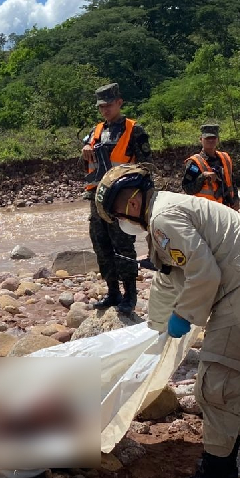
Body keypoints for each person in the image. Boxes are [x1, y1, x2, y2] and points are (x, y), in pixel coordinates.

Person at [94, 165, 240, 478]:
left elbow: (204, 275)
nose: (120, 222)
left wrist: (182, 317)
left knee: (214, 386)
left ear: (129, 202)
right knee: (231, 383)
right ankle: (229, 459)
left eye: (116, 215)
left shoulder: (163, 220)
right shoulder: (165, 211)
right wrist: (157, 330)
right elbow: (169, 277)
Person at [80, 82, 152, 314]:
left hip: (122, 200)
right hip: (97, 200)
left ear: (119, 103)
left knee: (123, 247)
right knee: (101, 246)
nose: (105, 110)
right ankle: (112, 292)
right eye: (101, 107)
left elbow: (147, 167)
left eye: (109, 105)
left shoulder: (134, 131)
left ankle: (130, 295)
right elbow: (86, 168)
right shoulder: (95, 131)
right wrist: (84, 154)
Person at [181, 124, 240, 211]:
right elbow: (187, 189)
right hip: (206, 211)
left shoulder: (225, 158)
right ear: (201, 139)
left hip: (227, 208)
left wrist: (236, 199)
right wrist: (203, 176)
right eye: (207, 138)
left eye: (213, 138)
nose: (211, 140)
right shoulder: (194, 163)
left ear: (218, 139)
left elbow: (231, 182)